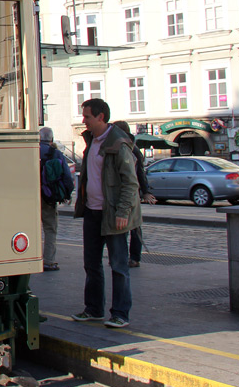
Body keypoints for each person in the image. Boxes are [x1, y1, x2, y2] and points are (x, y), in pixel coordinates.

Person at [71, 98, 141, 328]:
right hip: (92, 212)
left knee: (119, 266)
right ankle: (93, 309)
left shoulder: (119, 143)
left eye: (88, 117)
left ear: (101, 117)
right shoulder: (91, 140)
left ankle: (120, 313)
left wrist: (123, 212)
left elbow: (130, 183)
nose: (84, 121)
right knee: (91, 264)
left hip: (112, 214)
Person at [112, 120, 156, 268]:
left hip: (130, 192)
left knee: (131, 226)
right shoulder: (129, 147)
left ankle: (132, 257)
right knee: (131, 227)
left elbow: (139, 173)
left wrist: (145, 191)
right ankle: (130, 257)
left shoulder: (130, 148)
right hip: (132, 191)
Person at [39, 126, 74, 271]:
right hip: (48, 196)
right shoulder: (56, 153)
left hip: (28, 196)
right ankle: (48, 260)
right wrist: (67, 194)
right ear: (51, 139)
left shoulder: (30, 150)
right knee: (50, 228)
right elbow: (67, 177)